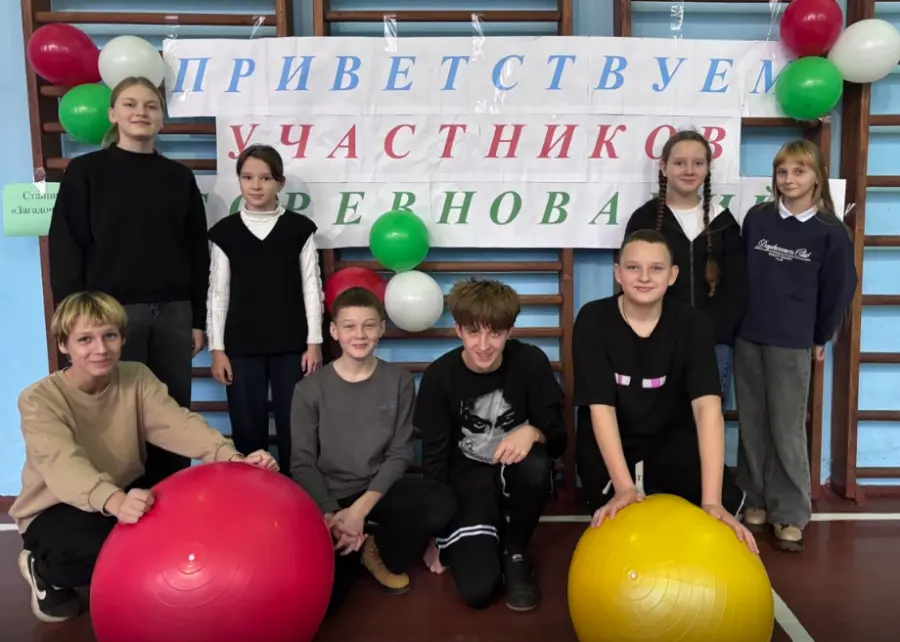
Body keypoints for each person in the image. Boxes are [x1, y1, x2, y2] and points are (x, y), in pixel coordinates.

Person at [9, 291, 278, 624]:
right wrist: (116, 502)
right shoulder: (39, 399)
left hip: (120, 492)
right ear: (64, 345)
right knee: (97, 554)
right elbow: (63, 464)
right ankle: (41, 569)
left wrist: (231, 457)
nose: (100, 349)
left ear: (122, 338)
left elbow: (177, 424)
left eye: (109, 335)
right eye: (85, 339)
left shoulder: (136, 376)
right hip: (57, 507)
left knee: (172, 537)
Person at [47, 76, 211, 487]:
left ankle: (171, 500)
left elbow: (197, 253)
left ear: (161, 118)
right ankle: (117, 505)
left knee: (171, 414)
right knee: (114, 419)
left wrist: (198, 319)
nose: (141, 112)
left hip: (173, 314)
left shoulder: (179, 178)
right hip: (110, 316)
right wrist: (76, 321)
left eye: (151, 106)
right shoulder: (86, 172)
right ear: (113, 114)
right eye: (131, 104)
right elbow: (67, 247)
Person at [573, 229, 757, 554]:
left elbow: (707, 408)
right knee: (625, 532)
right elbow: (600, 409)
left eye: (655, 268)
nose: (644, 277)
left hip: (670, 441)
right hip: (616, 443)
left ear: (672, 276)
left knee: (712, 514)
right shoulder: (593, 319)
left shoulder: (693, 323)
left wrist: (712, 501)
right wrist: (624, 488)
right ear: (617, 273)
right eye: (633, 267)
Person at [290, 287, 456, 613]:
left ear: (381, 329)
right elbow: (302, 463)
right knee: (325, 603)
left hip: (378, 492)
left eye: (368, 325)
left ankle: (371, 547)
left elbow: (400, 453)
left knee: (441, 501)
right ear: (334, 331)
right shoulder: (309, 389)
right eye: (349, 326)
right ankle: (351, 545)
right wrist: (333, 514)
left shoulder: (399, 380)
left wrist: (358, 512)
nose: (360, 334)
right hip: (329, 499)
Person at [735, 139, 858, 552]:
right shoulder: (757, 219)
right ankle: (755, 499)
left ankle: (789, 512)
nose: (789, 179)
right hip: (748, 336)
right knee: (751, 423)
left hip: (792, 342)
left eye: (799, 171)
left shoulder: (831, 232)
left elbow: (838, 290)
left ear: (817, 177)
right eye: (782, 171)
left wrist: (819, 336)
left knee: (786, 427)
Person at [415, 278, 566, 612]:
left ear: (509, 331)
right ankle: (487, 535)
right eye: (473, 332)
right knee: (478, 591)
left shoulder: (530, 362)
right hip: (467, 489)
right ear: (458, 330)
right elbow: (434, 461)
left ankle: (516, 550)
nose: (483, 345)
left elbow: (558, 440)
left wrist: (533, 432)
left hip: (511, 478)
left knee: (536, 464)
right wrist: (434, 535)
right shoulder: (439, 377)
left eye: (495, 333)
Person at [207, 144, 324, 473]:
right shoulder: (225, 233)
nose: (256, 186)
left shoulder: (299, 229)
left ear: (280, 182)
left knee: (295, 427)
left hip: (292, 345)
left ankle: (298, 493)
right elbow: (218, 294)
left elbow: (311, 287)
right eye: (247, 177)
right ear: (239, 181)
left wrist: (314, 342)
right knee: (247, 429)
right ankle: (254, 495)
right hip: (241, 347)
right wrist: (218, 349)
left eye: (265, 178)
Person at [624, 130, 748, 400]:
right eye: (679, 163)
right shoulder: (644, 220)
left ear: (708, 168)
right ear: (664, 167)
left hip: (713, 345)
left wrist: (709, 333)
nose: (689, 170)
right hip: (654, 340)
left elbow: (737, 290)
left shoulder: (724, 223)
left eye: (698, 163)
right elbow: (631, 283)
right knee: (656, 417)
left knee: (707, 419)